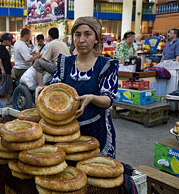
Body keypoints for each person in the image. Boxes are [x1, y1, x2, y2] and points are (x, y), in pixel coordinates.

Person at [36, 17, 119, 159]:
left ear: (97, 39)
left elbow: (108, 99)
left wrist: (92, 98)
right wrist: (43, 89)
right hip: (64, 132)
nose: (81, 40)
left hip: (96, 130)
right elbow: (54, 88)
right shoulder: (65, 62)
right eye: (77, 34)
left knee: (95, 174)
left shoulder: (106, 65)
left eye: (87, 34)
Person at [0, 33, 13, 105]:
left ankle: (9, 100)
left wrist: (9, 49)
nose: (10, 42)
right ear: (5, 40)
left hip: (7, 69)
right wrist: (2, 69)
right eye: (9, 40)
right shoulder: (0, 48)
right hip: (5, 70)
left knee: (8, 85)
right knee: (4, 85)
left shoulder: (4, 48)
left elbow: (9, 57)